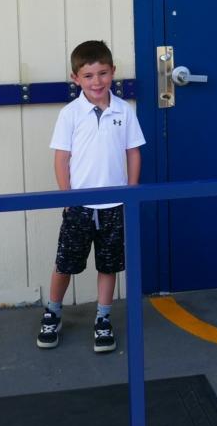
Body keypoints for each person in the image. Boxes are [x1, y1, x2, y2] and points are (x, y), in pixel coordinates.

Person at [37, 40, 144, 352]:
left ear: (113, 72)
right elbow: (61, 158)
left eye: (102, 73)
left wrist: (132, 191)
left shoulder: (125, 110)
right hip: (79, 205)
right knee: (65, 263)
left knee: (108, 265)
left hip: (114, 204)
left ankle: (103, 317)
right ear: (76, 79)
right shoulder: (70, 114)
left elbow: (133, 152)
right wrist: (66, 197)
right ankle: (53, 312)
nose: (96, 81)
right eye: (88, 75)